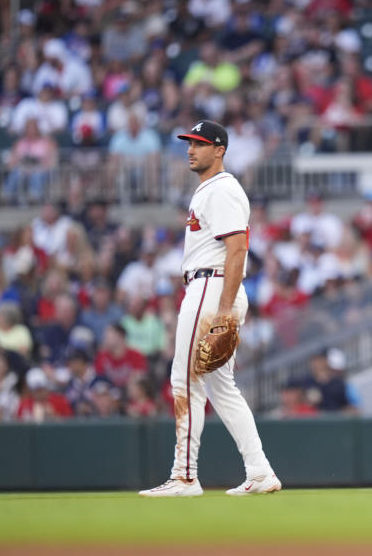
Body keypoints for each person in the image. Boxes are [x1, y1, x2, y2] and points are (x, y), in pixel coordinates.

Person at [140, 120, 280, 497]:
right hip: (212, 286)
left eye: (200, 143)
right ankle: (260, 471)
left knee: (185, 380)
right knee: (222, 388)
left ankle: (184, 475)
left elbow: (237, 249)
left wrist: (221, 310)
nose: (191, 149)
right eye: (189, 143)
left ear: (219, 150)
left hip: (212, 285)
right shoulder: (210, 189)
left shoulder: (221, 188)